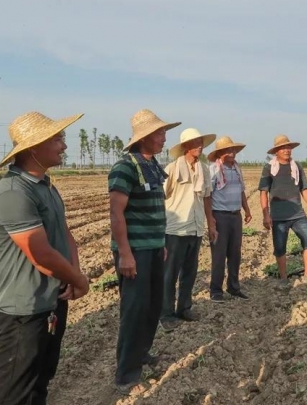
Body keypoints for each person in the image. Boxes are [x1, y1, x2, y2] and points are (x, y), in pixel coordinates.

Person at [0, 111, 90, 404]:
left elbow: (65, 233)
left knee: (40, 381)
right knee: (13, 393)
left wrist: (73, 275)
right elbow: (40, 254)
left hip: (51, 301)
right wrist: (79, 279)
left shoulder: (46, 187)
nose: (64, 146)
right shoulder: (13, 194)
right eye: (57, 139)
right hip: (24, 310)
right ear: (34, 148)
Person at [108, 109, 180, 393]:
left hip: (153, 247)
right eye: (160, 133)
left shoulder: (152, 166)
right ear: (144, 137)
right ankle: (126, 374)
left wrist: (161, 243)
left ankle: (141, 352)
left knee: (152, 305)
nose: (164, 138)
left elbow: (156, 210)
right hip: (135, 251)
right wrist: (125, 253)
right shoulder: (125, 167)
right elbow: (116, 212)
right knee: (135, 309)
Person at [160, 128, 216, 330]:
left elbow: (207, 198)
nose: (200, 146)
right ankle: (166, 314)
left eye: (201, 142)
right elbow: (161, 196)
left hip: (196, 227)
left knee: (190, 273)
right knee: (170, 274)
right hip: (176, 229)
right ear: (185, 146)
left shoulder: (204, 169)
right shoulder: (172, 169)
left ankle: (184, 308)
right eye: (195, 143)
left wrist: (211, 224)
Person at [259, 134, 307, 286]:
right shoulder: (269, 168)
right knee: (280, 248)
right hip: (278, 216)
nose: (287, 150)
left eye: (288, 147)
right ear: (276, 151)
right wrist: (266, 215)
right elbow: (263, 192)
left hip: (297, 214)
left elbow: (304, 189)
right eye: (283, 148)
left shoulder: (297, 167)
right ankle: (283, 278)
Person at [206, 136, 252, 302]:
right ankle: (216, 290)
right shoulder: (213, 170)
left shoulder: (237, 169)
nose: (232, 153)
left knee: (235, 253)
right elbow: (207, 196)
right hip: (220, 216)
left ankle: (233, 287)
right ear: (220, 153)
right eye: (228, 151)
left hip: (235, 216)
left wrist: (246, 210)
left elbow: (241, 191)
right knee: (219, 254)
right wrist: (210, 219)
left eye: (233, 150)